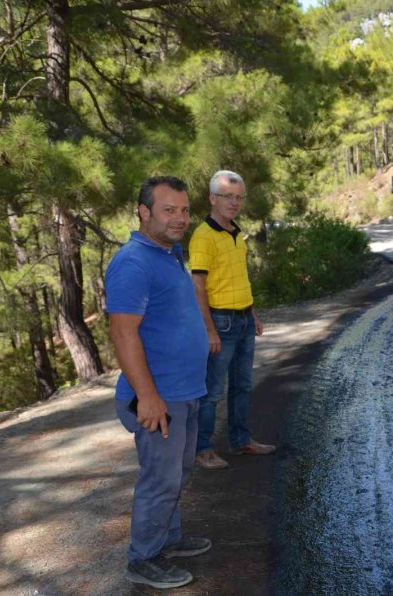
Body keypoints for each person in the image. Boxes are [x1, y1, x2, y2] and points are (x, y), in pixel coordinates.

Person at [105, 176, 211, 589]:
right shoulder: (133, 261)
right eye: (169, 209)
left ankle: (168, 536)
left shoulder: (168, 254)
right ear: (143, 212)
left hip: (184, 391)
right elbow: (123, 334)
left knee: (178, 472)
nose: (180, 218)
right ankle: (143, 558)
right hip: (159, 398)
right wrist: (147, 397)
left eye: (184, 210)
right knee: (160, 478)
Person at [189, 169, 274, 470]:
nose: (234, 202)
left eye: (238, 197)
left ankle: (241, 441)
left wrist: (252, 313)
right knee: (211, 391)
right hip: (221, 323)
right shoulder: (203, 236)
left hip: (243, 320)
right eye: (228, 196)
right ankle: (203, 449)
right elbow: (198, 285)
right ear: (212, 198)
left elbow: (239, 278)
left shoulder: (236, 232)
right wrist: (209, 330)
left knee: (243, 385)